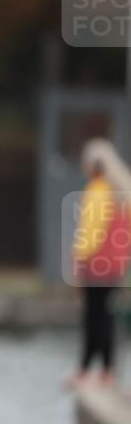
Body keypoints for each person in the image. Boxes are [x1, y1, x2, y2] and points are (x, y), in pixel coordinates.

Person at [69, 138, 131, 388]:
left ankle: (85, 370)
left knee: (93, 318)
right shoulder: (123, 193)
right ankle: (106, 370)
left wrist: (77, 260)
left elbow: (90, 232)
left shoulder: (97, 190)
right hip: (115, 267)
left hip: (96, 266)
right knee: (105, 316)